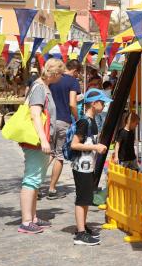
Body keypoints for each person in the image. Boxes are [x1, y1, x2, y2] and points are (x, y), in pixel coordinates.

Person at [17, 57, 64, 234]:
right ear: (54, 73)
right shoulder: (39, 87)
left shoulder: (43, 86)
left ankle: (33, 217)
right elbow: (35, 114)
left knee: (36, 179)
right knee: (31, 179)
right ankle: (26, 221)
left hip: (40, 140)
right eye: (60, 73)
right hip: (35, 141)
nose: (61, 77)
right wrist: (44, 139)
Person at [70, 89, 111, 245]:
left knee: (86, 198)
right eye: (103, 103)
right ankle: (80, 234)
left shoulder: (93, 120)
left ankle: (83, 226)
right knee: (82, 199)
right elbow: (74, 144)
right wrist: (96, 147)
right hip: (81, 166)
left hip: (88, 166)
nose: (104, 105)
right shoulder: (84, 122)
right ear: (94, 104)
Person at [46, 59, 83, 200]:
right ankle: (52, 189)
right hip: (63, 120)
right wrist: (77, 118)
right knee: (59, 155)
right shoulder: (72, 81)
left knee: (48, 153)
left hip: (49, 120)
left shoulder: (52, 78)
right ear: (75, 71)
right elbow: (72, 104)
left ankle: (35, 185)